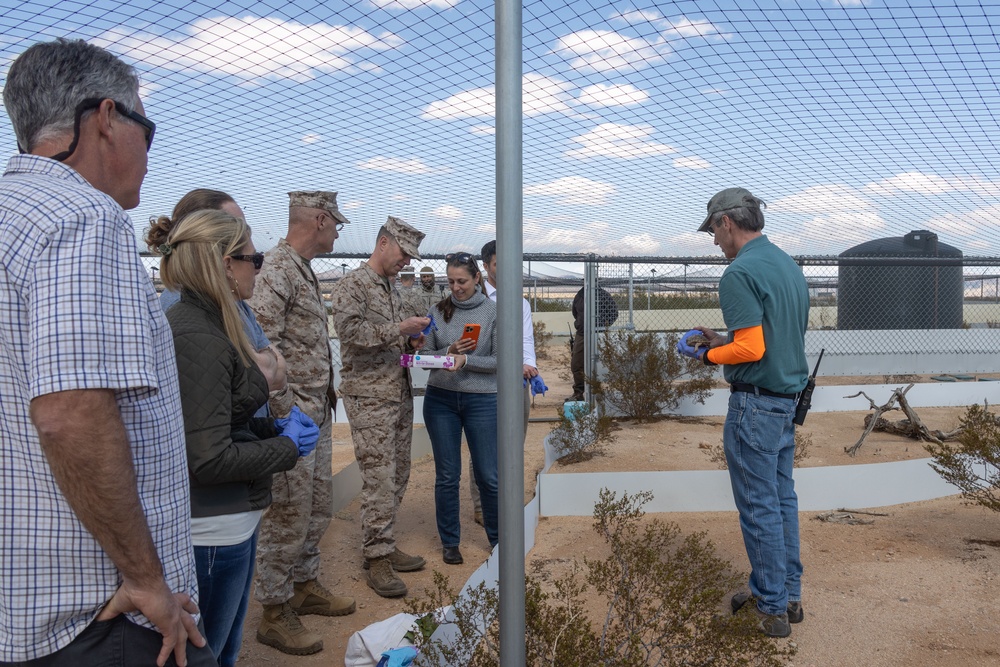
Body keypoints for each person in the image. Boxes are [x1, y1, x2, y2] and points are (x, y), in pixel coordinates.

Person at [0, 38, 213, 665]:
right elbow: (70, 414)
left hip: (24, 605)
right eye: (147, 127)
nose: (149, 151)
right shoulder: (82, 218)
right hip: (102, 612)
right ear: (105, 118)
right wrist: (148, 580)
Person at [154, 209, 318, 665]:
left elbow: (217, 418)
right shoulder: (197, 334)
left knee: (224, 646)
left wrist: (269, 427)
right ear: (226, 264)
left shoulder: (212, 322)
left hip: (230, 521)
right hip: (212, 531)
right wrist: (284, 447)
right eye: (253, 257)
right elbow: (206, 459)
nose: (258, 267)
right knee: (215, 653)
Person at [676, 187, 809, 639]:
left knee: (758, 507)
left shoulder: (738, 273)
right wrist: (721, 339)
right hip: (786, 403)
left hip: (754, 406)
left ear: (726, 222)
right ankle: (788, 595)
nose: (714, 241)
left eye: (713, 230)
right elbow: (763, 336)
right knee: (781, 499)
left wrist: (706, 358)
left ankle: (769, 604)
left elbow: (752, 347)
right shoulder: (786, 265)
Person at [249, 191, 355, 655]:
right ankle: (274, 610)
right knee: (287, 512)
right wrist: (284, 411)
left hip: (315, 408)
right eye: (336, 223)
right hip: (292, 414)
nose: (338, 230)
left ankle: (304, 585)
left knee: (316, 504)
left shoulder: (302, 269)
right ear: (318, 219)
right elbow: (262, 345)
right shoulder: (277, 267)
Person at [330, 216, 430, 598]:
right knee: (379, 478)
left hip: (396, 391)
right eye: (404, 253)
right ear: (384, 243)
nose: (407, 261)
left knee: (399, 471)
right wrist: (398, 330)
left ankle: (384, 544)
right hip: (369, 397)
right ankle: (376, 558)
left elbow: (390, 341)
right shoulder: (352, 285)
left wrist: (410, 344)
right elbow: (351, 335)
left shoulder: (392, 289)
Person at [148, 189, 286, 398]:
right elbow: (260, 375)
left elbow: (278, 374)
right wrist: (264, 358)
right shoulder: (181, 304)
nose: (241, 232)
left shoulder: (234, 300)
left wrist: (262, 361)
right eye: (231, 224)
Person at [421, 252, 499, 564]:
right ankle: (450, 542)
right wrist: (448, 351)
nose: (456, 287)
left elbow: (500, 361)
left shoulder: (494, 313)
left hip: (482, 401)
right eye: (451, 281)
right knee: (447, 475)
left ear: (477, 278)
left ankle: (498, 540)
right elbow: (425, 356)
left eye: (462, 281)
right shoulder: (437, 311)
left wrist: (466, 360)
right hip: (440, 400)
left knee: (488, 475)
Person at [469, 238, 536, 525]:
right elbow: (469, 344)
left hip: (515, 382)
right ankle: (483, 506)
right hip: (484, 382)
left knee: (514, 441)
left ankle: (508, 499)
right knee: (483, 445)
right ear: (486, 266)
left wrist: (529, 365)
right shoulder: (473, 299)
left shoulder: (519, 300)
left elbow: (526, 339)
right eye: (499, 263)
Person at [567, 285, 619, 402]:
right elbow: (575, 313)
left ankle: (597, 391)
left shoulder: (603, 295)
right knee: (577, 363)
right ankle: (578, 393)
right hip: (582, 334)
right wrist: (581, 324)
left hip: (597, 333)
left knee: (597, 363)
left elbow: (613, 313)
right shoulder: (580, 295)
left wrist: (601, 325)